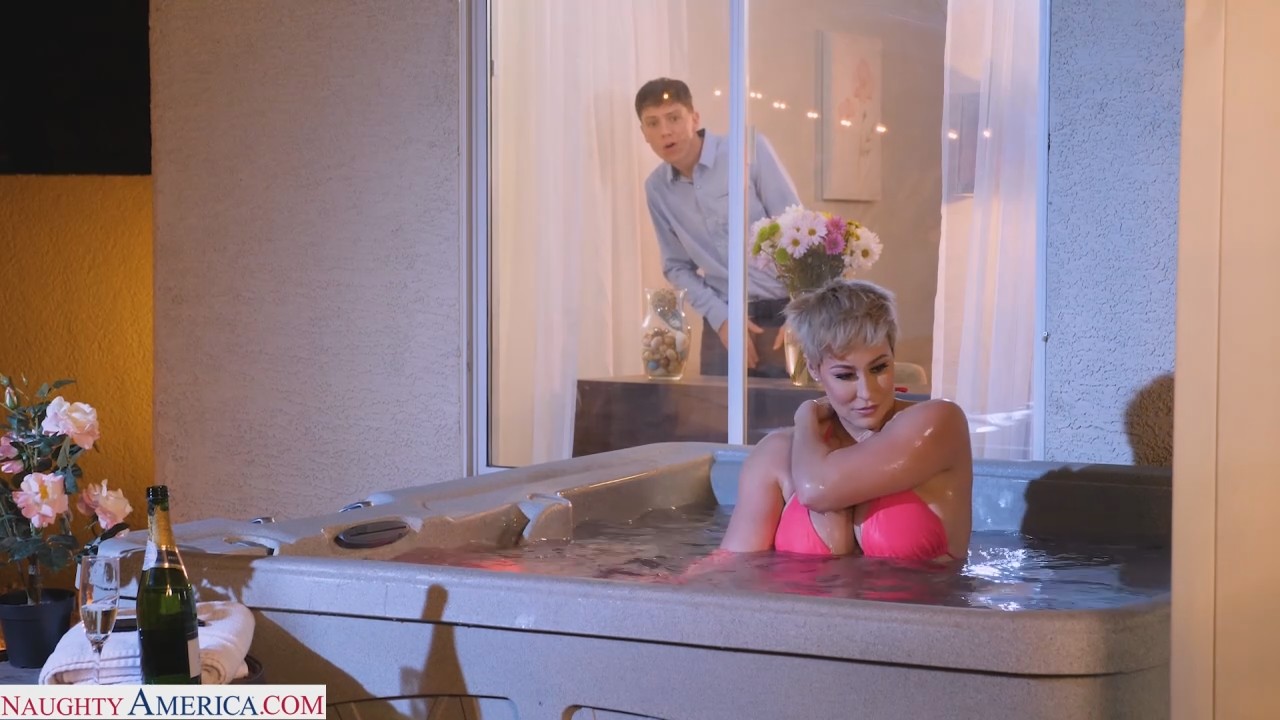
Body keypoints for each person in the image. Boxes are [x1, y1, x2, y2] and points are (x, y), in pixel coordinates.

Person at [717, 279, 973, 562]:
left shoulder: (938, 424)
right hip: (797, 593)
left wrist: (806, 415)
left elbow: (816, 490)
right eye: (845, 375)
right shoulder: (775, 455)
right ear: (814, 368)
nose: (867, 392)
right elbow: (732, 567)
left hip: (924, 593)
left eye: (879, 368)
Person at [636, 77, 800, 377]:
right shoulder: (656, 188)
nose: (665, 131)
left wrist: (804, 310)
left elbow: (799, 231)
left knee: (793, 407)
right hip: (722, 320)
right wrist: (720, 317)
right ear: (644, 133)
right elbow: (676, 266)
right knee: (714, 408)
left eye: (674, 118)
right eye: (653, 123)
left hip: (784, 313)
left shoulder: (748, 149)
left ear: (694, 118)